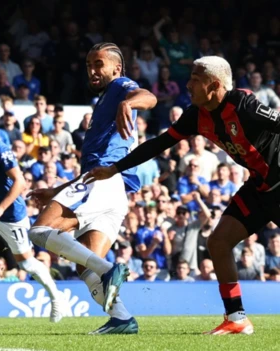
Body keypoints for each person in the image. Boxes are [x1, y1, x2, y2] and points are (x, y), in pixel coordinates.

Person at [84, 56, 272, 335]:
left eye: (196, 80)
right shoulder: (196, 115)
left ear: (215, 86)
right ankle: (237, 317)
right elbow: (158, 144)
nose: (188, 85)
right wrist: (113, 168)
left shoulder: (244, 104)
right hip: (259, 187)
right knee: (219, 242)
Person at [26, 42, 157, 334]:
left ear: (116, 68)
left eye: (99, 64)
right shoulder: (105, 101)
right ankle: (122, 319)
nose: (93, 70)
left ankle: (110, 270)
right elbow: (94, 166)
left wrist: (128, 102)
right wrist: (57, 190)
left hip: (103, 182)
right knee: (85, 267)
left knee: (38, 231)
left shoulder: (121, 87)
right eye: (89, 65)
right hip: (113, 191)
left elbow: (148, 97)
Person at [0, 111, 66, 325]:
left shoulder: (0, 150)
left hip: (12, 215)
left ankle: (56, 297)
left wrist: (1, 207)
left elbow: (20, 182)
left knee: (26, 264)